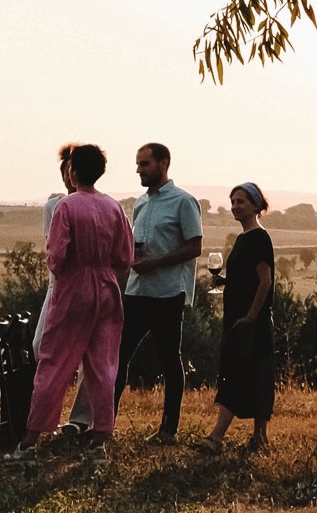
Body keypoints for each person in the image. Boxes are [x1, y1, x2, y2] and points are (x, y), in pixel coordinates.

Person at [6, 144, 134, 464]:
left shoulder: (66, 206)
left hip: (74, 288)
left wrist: (66, 273)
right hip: (107, 289)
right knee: (103, 366)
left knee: (53, 363)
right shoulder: (114, 207)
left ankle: (30, 442)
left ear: (73, 171)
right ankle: (99, 442)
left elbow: (57, 256)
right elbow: (125, 257)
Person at [114, 142, 203, 444]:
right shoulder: (140, 203)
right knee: (119, 356)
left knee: (168, 359)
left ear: (163, 163)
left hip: (167, 294)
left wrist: (157, 262)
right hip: (136, 291)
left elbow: (195, 247)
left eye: (145, 164)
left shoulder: (184, 202)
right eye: (138, 164)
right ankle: (104, 426)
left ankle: (168, 430)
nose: (139, 169)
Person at [196, 182, 275, 454]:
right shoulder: (243, 238)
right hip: (239, 320)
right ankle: (259, 438)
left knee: (237, 375)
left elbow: (265, 282)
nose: (235, 206)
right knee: (254, 375)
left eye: (241, 201)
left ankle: (216, 437)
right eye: (233, 201)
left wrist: (251, 317)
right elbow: (247, 279)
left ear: (255, 205)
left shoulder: (259, 238)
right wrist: (226, 281)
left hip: (250, 322)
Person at [34, 143, 94, 436]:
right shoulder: (54, 205)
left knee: (90, 355)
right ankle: (47, 415)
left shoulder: (99, 205)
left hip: (83, 284)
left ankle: (80, 419)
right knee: (39, 347)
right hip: (57, 285)